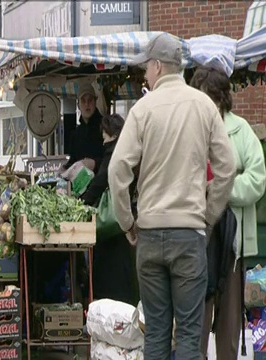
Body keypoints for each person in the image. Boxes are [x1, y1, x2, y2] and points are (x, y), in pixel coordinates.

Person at [108, 33, 236, 360]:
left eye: (146, 70)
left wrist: (127, 222)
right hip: (190, 235)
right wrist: (208, 215)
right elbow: (227, 168)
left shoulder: (142, 110)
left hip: (149, 235)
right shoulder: (204, 105)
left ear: (157, 66)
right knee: (191, 336)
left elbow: (118, 169)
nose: (144, 76)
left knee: (157, 335)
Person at [190, 67, 266, 360]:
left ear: (221, 99)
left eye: (208, 98)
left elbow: (258, 178)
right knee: (196, 319)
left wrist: (222, 190)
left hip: (232, 241)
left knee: (229, 324)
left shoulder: (241, 130)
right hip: (197, 234)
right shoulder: (191, 129)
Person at [80, 113, 137, 304]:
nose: (103, 140)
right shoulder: (130, 152)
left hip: (113, 228)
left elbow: (100, 182)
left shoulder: (113, 153)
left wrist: (81, 203)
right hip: (126, 221)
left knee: (110, 275)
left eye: (104, 135)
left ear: (110, 134)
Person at [62, 82, 104, 173]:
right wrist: (64, 169)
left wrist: (95, 163)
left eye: (90, 100)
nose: (87, 104)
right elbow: (72, 162)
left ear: (95, 102)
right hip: (80, 185)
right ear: (78, 105)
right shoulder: (75, 135)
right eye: (83, 101)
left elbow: (113, 160)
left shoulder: (105, 128)